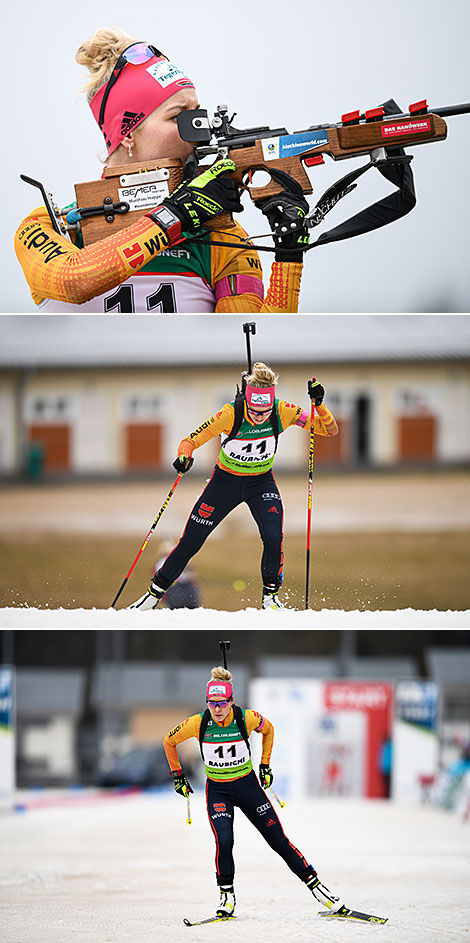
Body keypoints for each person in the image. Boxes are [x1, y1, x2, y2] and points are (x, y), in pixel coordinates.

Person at [14, 27, 310, 313]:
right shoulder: (50, 224)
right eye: (179, 117)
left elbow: (249, 348)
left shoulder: (223, 235)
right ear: (127, 133)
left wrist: (289, 255)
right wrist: (176, 216)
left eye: (198, 116)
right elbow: (74, 280)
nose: (200, 132)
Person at [130, 364, 337, 610]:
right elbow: (190, 441)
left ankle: (270, 598)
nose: (260, 416)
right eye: (254, 411)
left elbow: (329, 429)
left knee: (273, 537)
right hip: (224, 483)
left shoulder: (284, 411)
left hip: (261, 482)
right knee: (192, 541)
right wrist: (184, 457)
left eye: (265, 411)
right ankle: (153, 596)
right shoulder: (229, 414)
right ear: (246, 402)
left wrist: (319, 404)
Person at [164, 665, 344, 919]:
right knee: (224, 841)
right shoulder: (198, 722)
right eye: (212, 703)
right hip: (219, 791)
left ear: (231, 701)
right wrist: (178, 775)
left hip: (248, 787)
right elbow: (169, 741)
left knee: (278, 841)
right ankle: (227, 896)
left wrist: (265, 765)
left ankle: (319, 890)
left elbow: (269, 729)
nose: (216, 709)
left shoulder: (245, 718)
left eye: (222, 703)